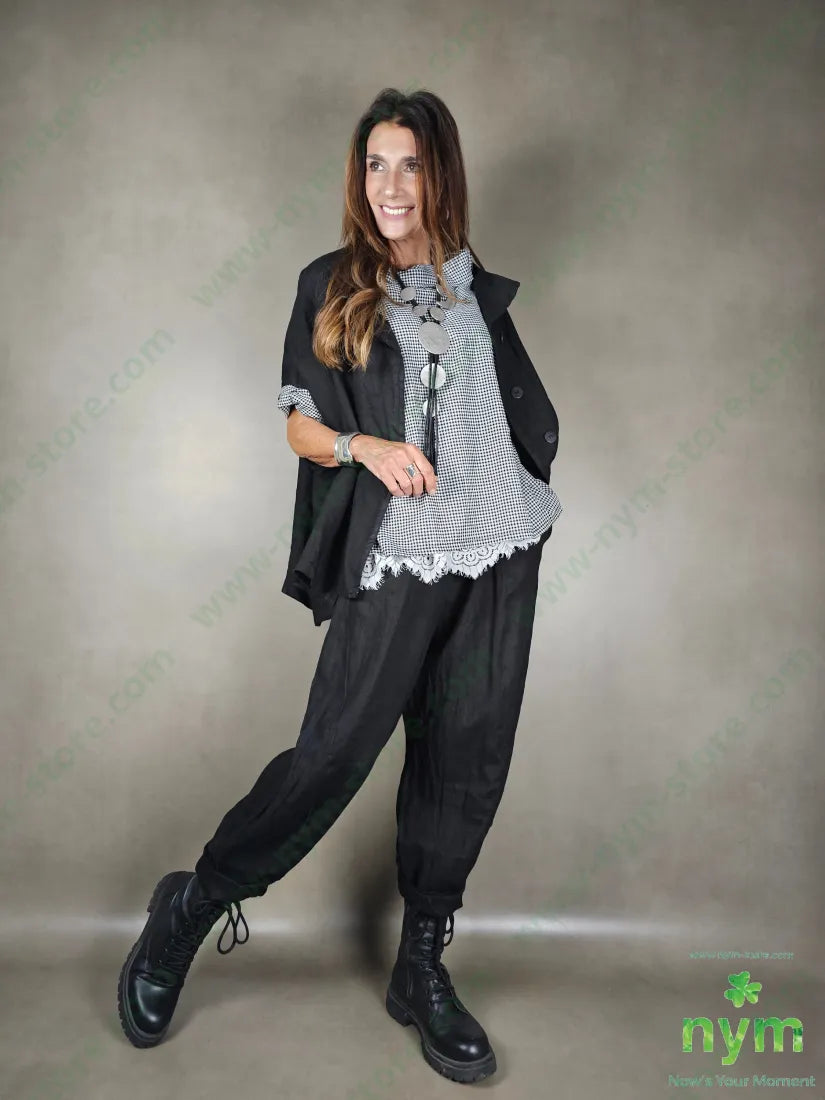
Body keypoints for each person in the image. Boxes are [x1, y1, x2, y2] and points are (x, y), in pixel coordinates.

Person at [117, 87, 562, 1085]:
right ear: (359, 177)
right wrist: (367, 447)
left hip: (502, 549)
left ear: (441, 176)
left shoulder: (470, 282)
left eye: (411, 165)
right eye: (375, 165)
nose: (391, 186)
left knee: (466, 761)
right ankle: (192, 903)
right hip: (398, 555)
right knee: (332, 754)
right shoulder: (332, 283)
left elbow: (500, 408)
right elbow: (299, 425)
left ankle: (421, 964)